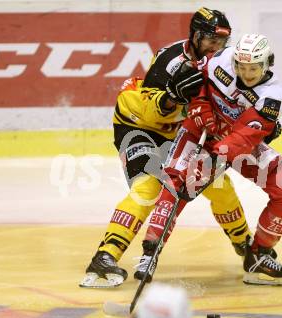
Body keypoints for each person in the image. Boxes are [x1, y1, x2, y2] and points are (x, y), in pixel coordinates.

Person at [79, 8, 258, 288]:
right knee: (147, 188)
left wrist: (260, 120)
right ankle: (104, 256)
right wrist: (172, 98)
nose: (216, 47)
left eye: (221, 41)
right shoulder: (170, 59)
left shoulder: (225, 63)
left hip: (179, 133)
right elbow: (151, 110)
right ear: (195, 36)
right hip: (138, 126)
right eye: (210, 40)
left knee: (219, 185)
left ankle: (247, 248)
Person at [135, 34, 282, 286]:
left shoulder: (272, 95)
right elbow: (195, 84)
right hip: (198, 131)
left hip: (235, 143)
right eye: (242, 67)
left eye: (254, 68)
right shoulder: (219, 61)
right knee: (175, 184)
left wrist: (216, 153)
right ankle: (150, 252)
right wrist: (200, 110)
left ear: (266, 64)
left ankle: (258, 255)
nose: (247, 74)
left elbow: (247, 136)